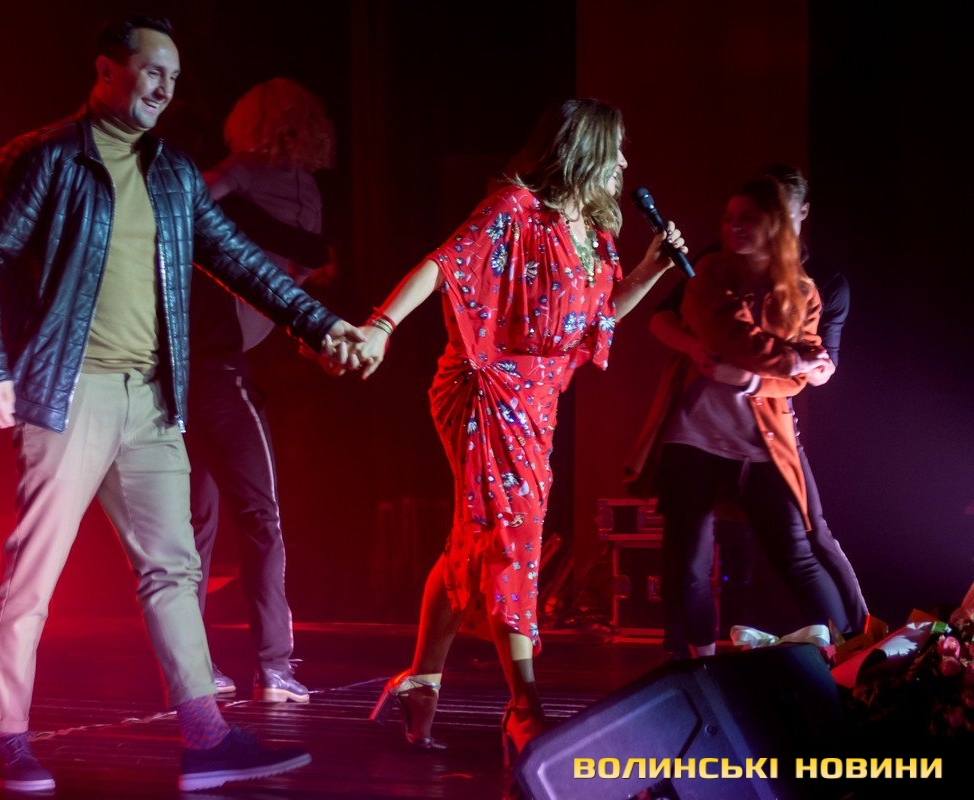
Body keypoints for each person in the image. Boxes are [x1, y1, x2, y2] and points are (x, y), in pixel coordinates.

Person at [0, 16, 363, 794]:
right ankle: (4, 739)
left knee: (173, 568)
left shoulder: (172, 173)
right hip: (69, 390)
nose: (165, 88)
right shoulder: (47, 157)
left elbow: (238, 260)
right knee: (35, 571)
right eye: (152, 71)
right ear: (107, 71)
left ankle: (206, 739)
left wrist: (323, 325)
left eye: (173, 77)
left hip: (152, 397)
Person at [351, 98, 687, 763]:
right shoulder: (514, 210)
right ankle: (524, 706)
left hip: (538, 401)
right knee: (513, 536)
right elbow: (444, 265)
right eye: (615, 148)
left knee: (473, 541)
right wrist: (381, 326)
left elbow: (595, 322)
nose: (624, 162)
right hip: (487, 389)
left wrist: (651, 270)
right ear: (584, 151)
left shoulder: (596, 234)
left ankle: (421, 681)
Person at [638, 164, 867, 645]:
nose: (734, 228)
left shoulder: (808, 291)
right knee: (688, 561)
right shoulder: (709, 273)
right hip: (695, 434)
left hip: (763, 437)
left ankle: (849, 652)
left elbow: (805, 374)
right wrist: (788, 360)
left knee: (800, 549)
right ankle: (693, 665)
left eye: (747, 218)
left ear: (780, 222)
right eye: (728, 218)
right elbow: (729, 335)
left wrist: (751, 377)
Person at [187, 77, 336, 702]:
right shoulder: (249, 173)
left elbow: (305, 268)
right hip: (216, 364)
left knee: (198, 524)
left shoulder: (294, 187)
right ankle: (272, 665)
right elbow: (191, 201)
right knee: (254, 518)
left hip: (207, 363)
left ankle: (196, 667)